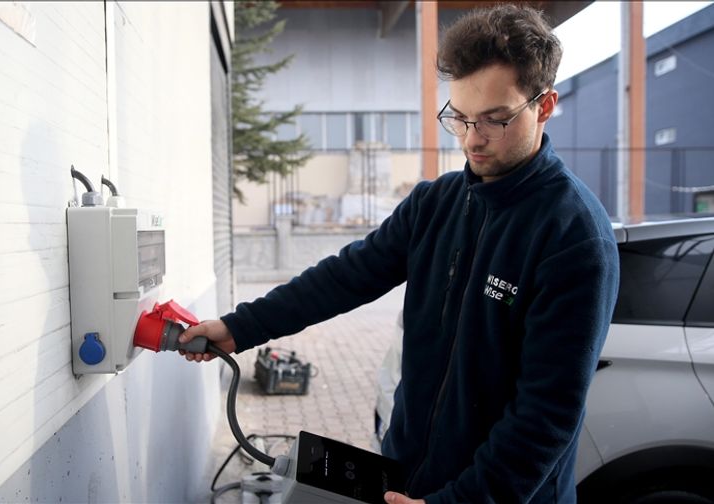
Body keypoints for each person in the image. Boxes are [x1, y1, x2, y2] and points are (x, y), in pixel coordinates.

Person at [181, 4, 619, 503]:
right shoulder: (434, 205)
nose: (472, 139)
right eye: (460, 118)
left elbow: (545, 417)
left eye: (495, 120)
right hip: (405, 479)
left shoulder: (575, 237)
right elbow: (343, 278)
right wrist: (240, 327)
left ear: (544, 106)